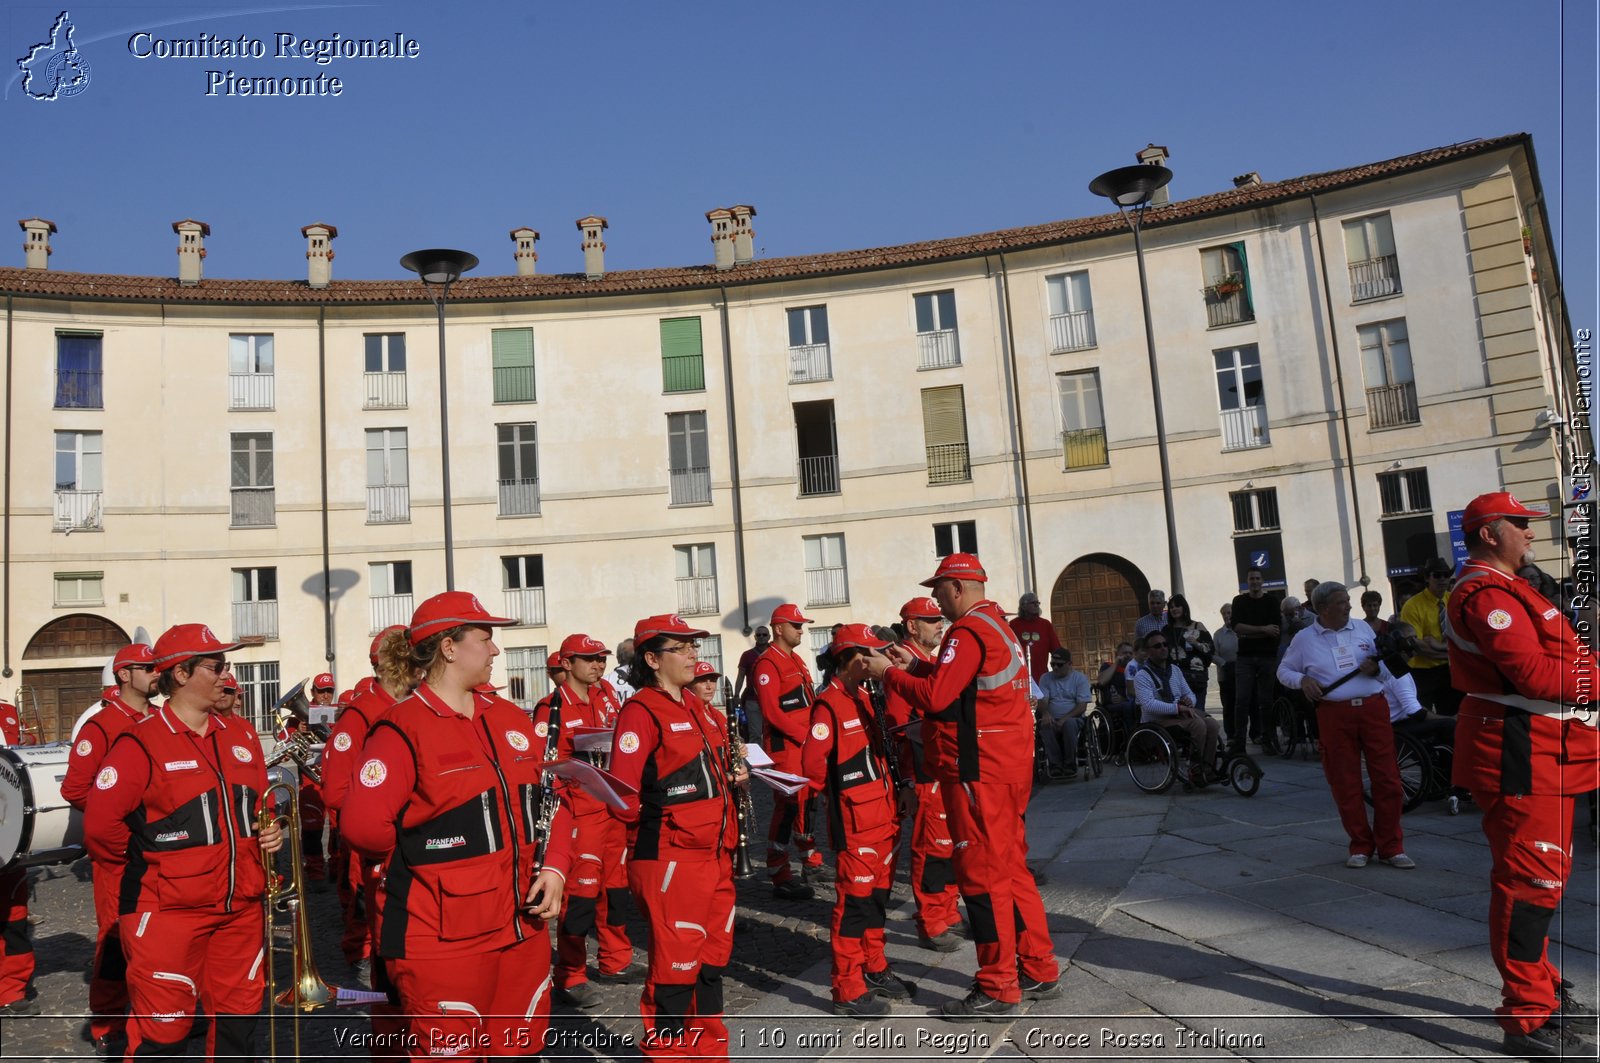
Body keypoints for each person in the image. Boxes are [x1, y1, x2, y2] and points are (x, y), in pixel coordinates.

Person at [341, 591, 572, 1059]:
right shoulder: (401, 727)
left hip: (521, 930)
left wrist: (557, 867)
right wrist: (430, 856)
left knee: (520, 1051)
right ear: (449, 646)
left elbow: (554, 799)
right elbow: (363, 827)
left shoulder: (507, 717)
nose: (494, 650)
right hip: (442, 942)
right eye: (484, 638)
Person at [862, 553, 1060, 1020]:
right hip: (1006, 769)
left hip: (977, 774)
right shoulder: (998, 627)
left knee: (981, 879)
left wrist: (887, 673)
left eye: (938, 589)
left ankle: (997, 986)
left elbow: (937, 697)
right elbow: (962, 684)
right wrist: (915, 665)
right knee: (1013, 871)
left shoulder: (968, 631)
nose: (935, 598)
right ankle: (1038, 967)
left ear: (957, 587)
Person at [82, 623, 283, 1059]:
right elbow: (101, 828)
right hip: (169, 913)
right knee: (164, 1035)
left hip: (241, 908)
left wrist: (268, 832)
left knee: (239, 1025)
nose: (227, 676)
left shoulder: (242, 734)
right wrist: (155, 865)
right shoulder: (139, 742)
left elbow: (258, 810)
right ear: (180, 674)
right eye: (216, 667)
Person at [1446, 492, 1600, 1057]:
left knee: (1545, 879)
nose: (1532, 533)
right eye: (1522, 524)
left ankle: (1543, 990)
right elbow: (1534, 674)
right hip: (1519, 749)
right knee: (1529, 883)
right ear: (1490, 533)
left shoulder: (1512, 587)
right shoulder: (1486, 593)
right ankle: (1526, 1017)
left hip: (1542, 749)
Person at [607, 614, 741, 1061]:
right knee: (675, 970)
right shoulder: (640, 711)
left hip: (716, 854)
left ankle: (709, 1051)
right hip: (671, 858)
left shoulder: (694, 705)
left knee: (712, 962)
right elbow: (622, 796)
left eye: (693, 648)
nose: (692, 655)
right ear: (652, 658)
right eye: (681, 649)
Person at [802, 624, 916, 1018]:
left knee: (877, 901)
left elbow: (884, 748)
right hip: (856, 825)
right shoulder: (827, 705)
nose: (876, 660)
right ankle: (846, 985)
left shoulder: (868, 697)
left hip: (885, 816)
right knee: (853, 905)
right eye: (868, 654)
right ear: (849, 658)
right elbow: (813, 771)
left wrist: (901, 785)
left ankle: (875, 965)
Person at [534, 633, 643, 1010]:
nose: (598, 664)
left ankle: (615, 961)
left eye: (601, 658)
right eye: (589, 658)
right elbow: (542, 767)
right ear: (567, 664)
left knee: (615, 892)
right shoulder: (551, 708)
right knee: (579, 900)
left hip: (612, 810)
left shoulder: (609, 697)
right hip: (580, 814)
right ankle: (570, 975)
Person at [60, 642, 158, 1054]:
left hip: (157, 848)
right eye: (147, 667)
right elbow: (75, 788)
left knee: (156, 937)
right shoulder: (100, 726)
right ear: (124, 675)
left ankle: (155, 1014)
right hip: (118, 851)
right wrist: (119, 815)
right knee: (115, 937)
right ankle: (108, 1020)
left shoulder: (158, 719)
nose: (156, 673)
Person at [1278, 582, 1413, 871]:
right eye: (1342, 602)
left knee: (1388, 778)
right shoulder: (1304, 638)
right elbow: (1284, 671)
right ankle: (1361, 845)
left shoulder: (1364, 629)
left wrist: (1376, 668)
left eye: (1348, 600)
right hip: (1334, 714)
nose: (1349, 606)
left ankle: (1391, 846)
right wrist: (1302, 680)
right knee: (1344, 781)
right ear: (1323, 608)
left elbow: (1387, 669)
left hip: (1373, 709)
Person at [319, 625, 409, 992]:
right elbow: (335, 792)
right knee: (370, 916)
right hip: (377, 843)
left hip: (411, 842)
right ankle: (362, 964)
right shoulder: (360, 715)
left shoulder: (412, 707)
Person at [882, 596, 963, 952]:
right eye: (931, 620)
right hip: (923, 768)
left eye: (939, 618)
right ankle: (931, 921)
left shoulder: (933, 660)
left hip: (945, 765)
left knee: (950, 845)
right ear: (912, 625)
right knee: (932, 848)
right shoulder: (899, 663)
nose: (939, 624)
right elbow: (903, 727)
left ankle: (948, 911)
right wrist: (909, 781)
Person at [752, 603, 821, 899]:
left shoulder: (797, 660)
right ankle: (779, 872)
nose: (801, 630)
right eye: (796, 625)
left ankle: (811, 862)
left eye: (801, 625)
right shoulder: (768, 663)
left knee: (808, 802)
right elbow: (771, 712)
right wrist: (805, 736)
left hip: (803, 745)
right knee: (787, 807)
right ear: (779, 629)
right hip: (787, 747)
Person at [1133, 631, 1221, 785]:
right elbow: (1149, 704)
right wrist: (1178, 708)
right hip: (1157, 722)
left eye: (1165, 644)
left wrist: (1189, 701)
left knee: (1212, 724)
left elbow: (1189, 693)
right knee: (1198, 725)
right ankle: (1195, 769)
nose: (1163, 648)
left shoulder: (1175, 670)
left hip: (1178, 714)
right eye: (1157, 646)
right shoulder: (1142, 676)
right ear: (1147, 652)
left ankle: (1207, 768)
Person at [1401, 558, 1460, 717]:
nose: (1442, 579)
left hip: (1450, 671)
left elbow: (1463, 639)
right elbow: (1418, 646)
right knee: (1424, 717)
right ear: (1427, 578)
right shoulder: (1412, 606)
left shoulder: (1455, 600)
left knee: (1453, 716)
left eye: (1446, 575)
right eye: (1437, 575)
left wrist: (1439, 646)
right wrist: (1452, 652)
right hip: (1423, 673)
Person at [1230, 568, 1281, 754]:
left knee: (1266, 701)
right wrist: (1263, 630)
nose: (1255, 582)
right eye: (1251, 578)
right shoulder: (1239, 601)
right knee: (1242, 701)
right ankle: (1239, 742)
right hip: (1245, 657)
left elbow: (1275, 630)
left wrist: (1249, 632)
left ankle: (1268, 739)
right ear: (1247, 581)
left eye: (1258, 578)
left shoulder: (1271, 601)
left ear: (1263, 581)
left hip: (1267, 657)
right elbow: (1236, 627)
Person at [1036, 649, 1091, 778]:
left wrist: (1064, 719)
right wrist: (1045, 713)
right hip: (1052, 718)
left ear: (1069, 664)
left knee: (1069, 724)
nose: (1055, 667)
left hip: (1073, 718)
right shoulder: (1045, 678)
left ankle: (1069, 763)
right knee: (1045, 725)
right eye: (1052, 664)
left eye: (1059, 664)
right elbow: (1043, 700)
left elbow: (1082, 706)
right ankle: (1055, 765)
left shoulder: (1080, 678)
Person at [1163, 594, 1214, 712]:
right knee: (1180, 713)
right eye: (1171, 607)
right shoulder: (1166, 630)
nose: (1174, 609)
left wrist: (1196, 643)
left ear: (1184, 607)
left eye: (1177, 606)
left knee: (1198, 712)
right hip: (1175, 679)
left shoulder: (1197, 626)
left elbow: (1210, 649)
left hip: (1196, 678)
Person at [1008, 592, 1061, 681]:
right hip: (1020, 676)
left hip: (1042, 676)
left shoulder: (1045, 624)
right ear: (1023, 606)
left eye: (1038, 603)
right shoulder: (1013, 625)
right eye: (1033, 603)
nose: (1037, 605)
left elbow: (1056, 649)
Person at [731, 625, 771, 742]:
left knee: (772, 733)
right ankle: (757, 759)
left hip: (772, 699)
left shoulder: (774, 653)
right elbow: (741, 676)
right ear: (754, 637)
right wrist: (736, 695)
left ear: (769, 636)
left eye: (764, 635)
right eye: (759, 635)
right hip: (752, 701)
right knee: (755, 734)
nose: (762, 637)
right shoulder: (747, 655)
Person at [1213, 604, 1239, 742]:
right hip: (1225, 676)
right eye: (1224, 614)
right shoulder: (1218, 634)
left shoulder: (1240, 631)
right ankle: (1230, 735)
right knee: (1228, 706)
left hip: (1242, 673)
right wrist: (1225, 664)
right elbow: (1213, 654)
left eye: (1229, 613)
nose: (1227, 616)